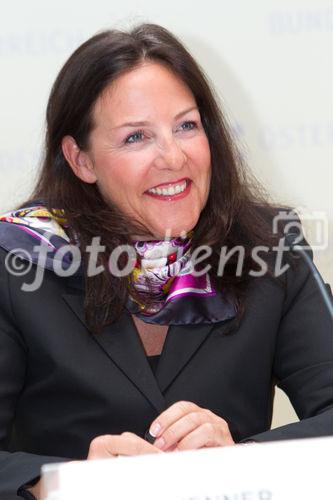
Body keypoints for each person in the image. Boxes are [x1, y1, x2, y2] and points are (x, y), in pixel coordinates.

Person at [0, 23, 332, 500]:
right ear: (81, 160)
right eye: (136, 137)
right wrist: (55, 482)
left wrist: (243, 456)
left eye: (186, 126)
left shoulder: (272, 248)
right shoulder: (16, 258)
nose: (173, 158)